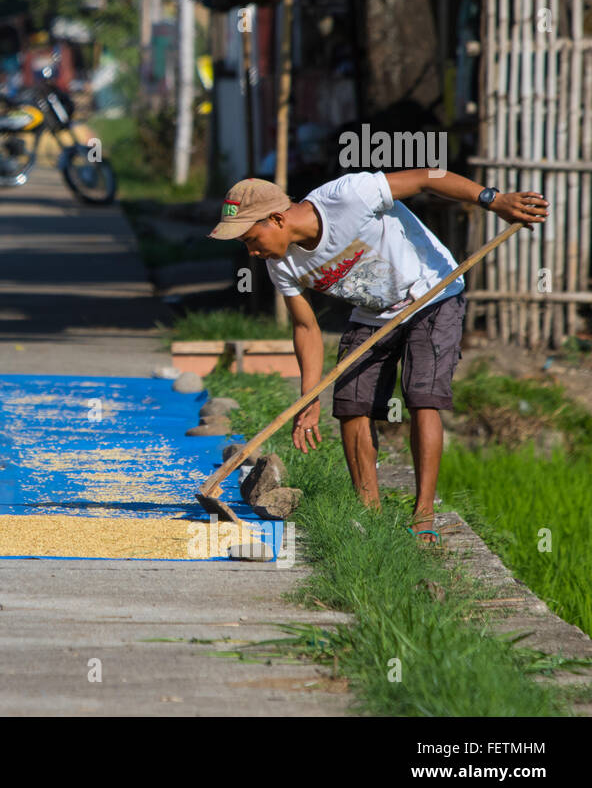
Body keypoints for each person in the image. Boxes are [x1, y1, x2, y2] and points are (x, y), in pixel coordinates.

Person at [208, 171, 549, 545]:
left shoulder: (348, 196)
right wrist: (308, 399)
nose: (251, 252)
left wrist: (493, 200)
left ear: (276, 219)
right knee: (351, 402)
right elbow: (306, 328)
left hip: (431, 293)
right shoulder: (282, 265)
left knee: (421, 397)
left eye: (251, 239)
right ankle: (368, 516)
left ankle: (423, 516)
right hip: (372, 313)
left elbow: (425, 178)